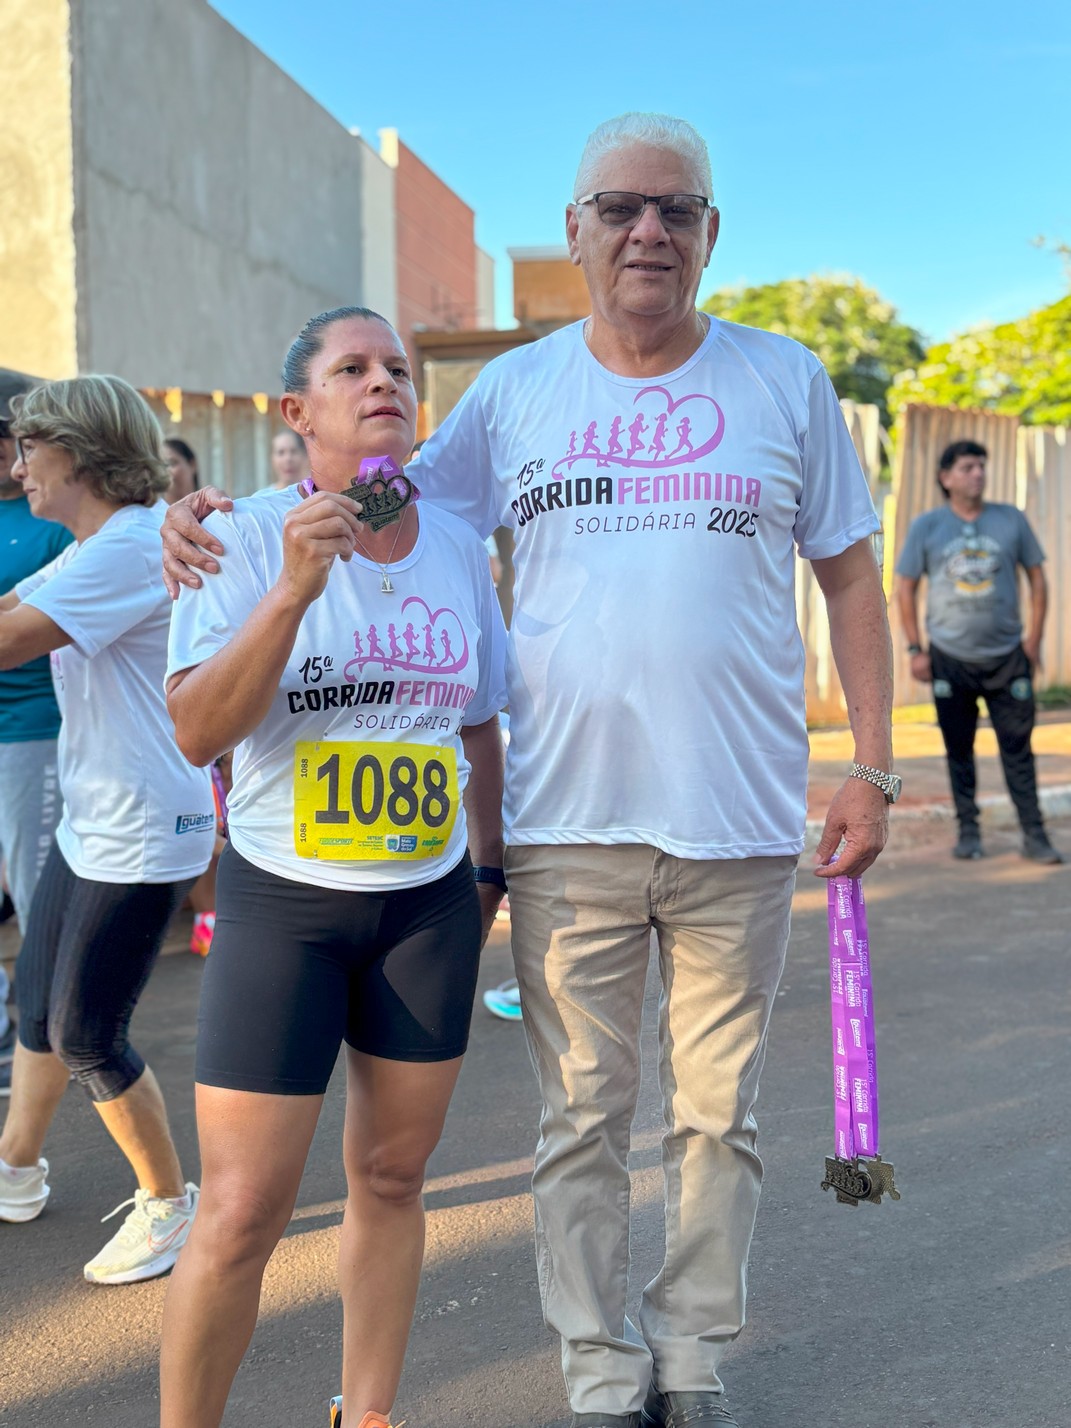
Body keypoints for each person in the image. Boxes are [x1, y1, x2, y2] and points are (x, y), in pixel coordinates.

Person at [161, 115, 894, 1428]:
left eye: (675, 210)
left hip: (735, 826)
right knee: (580, 1128)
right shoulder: (512, 395)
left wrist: (875, 771)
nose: (646, 232)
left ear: (710, 233)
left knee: (714, 1123)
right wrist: (216, 511)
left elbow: (845, 571)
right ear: (575, 233)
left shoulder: (783, 384)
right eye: (616, 208)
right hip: (566, 830)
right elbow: (384, 497)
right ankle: (599, 1371)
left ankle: (687, 1356)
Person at [159, 305, 507, 1428]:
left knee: (396, 1180)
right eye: (352, 368)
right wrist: (292, 589)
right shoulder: (238, 535)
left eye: (398, 368)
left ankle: (368, 1416)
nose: (385, 383)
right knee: (244, 1210)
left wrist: (489, 874)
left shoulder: (456, 544)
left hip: (427, 909)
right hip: (287, 907)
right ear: (295, 412)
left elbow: (482, 722)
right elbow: (197, 732)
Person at [0, 375, 214, 1284]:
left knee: (89, 1032)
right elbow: (11, 613)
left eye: (28, 450)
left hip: (145, 830)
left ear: (77, 456)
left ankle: (171, 1204)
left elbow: (8, 642)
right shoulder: (92, 544)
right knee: (37, 1005)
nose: (18, 467)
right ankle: (14, 1165)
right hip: (98, 820)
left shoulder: (126, 550)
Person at [896, 438, 1061, 863]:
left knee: (1018, 748)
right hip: (950, 657)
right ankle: (968, 832)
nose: (978, 474)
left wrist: (1033, 641)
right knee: (959, 749)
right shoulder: (928, 527)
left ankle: (1035, 835)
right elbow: (905, 587)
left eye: (981, 466)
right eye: (968, 467)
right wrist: (916, 647)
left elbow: (1038, 580)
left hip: (1007, 656)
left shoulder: (1011, 521)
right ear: (945, 477)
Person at [0, 370, 72, 1096]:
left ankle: (44, 1040)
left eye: (13, 438)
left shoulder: (55, 520)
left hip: (30, 730)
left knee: (32, 893)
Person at [163, 436, 201, 504]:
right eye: (160, 465)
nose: (165, 471)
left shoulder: (213, 510)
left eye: (171, 463)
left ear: (192, 465)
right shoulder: (151, 512)